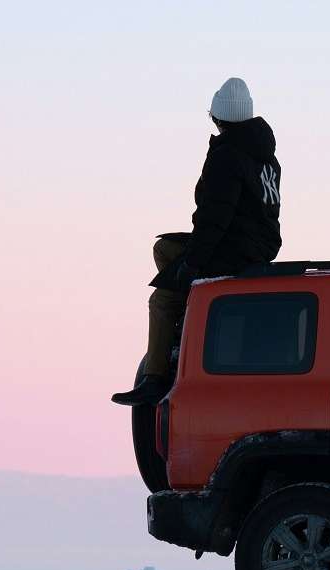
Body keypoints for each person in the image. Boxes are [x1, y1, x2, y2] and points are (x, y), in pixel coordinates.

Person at [112, 77, 282, 406]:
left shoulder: (227, 156)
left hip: (235, 251)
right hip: (257, 247)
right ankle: (188, 306)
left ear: (218, 119)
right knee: (164, 247)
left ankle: (155, 377)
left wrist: (192, 264)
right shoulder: (267, 158)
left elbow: (214, 219)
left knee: (162, 299)